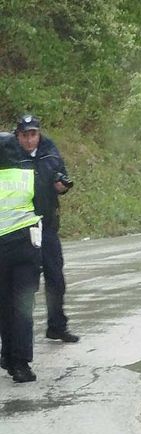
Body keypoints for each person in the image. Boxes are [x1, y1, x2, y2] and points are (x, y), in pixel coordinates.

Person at [15, 115, 79, 343]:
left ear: (38, 133)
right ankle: (19, 336)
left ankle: (57, 326)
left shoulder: (50, 151)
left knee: (55, 278)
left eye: (33, 134)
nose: (29, 140)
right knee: (25, 283)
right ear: (18, 135)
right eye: (25, 135)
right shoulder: (10, 155)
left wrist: (61, 186)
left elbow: (60, 177)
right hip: (20, 228)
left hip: (47, 225)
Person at [0, 132, 41, 382]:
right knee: (23, 306)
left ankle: (7, 355)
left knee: (4, 305)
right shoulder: (29, 176)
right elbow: (44, 207)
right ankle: (21, 365)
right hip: (25, 247)